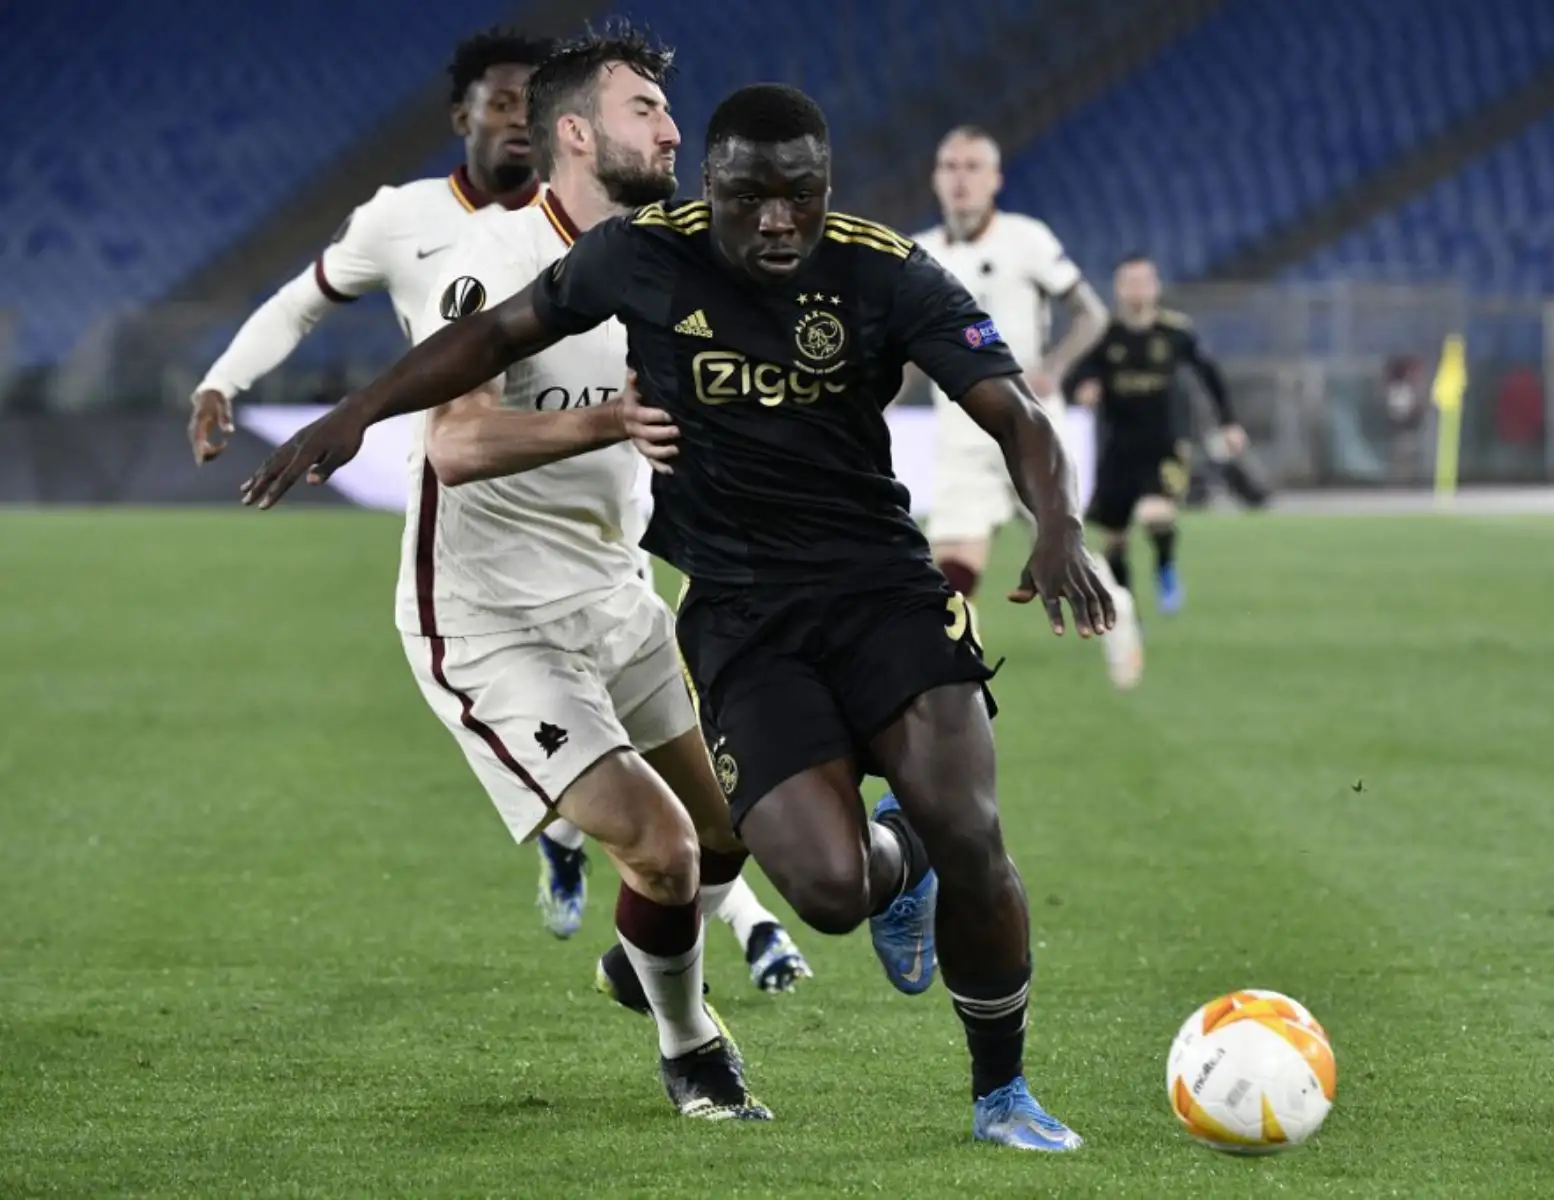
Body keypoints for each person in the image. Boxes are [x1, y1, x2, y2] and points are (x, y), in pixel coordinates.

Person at [240, 83, 1115, 1152]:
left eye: (802, 194)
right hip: (742, 616)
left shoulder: (884, 268)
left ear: (826, 187)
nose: (779, 219)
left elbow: (1016, 411)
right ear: (714, 188)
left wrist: (1059, 527)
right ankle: (898, 864)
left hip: (883, 588)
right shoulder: (644, 256)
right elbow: (494, 336)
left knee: (971, 827)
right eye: (753, 195)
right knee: (831, 892)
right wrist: (357, 413)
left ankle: (1002, 1095)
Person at [186, 28, 801, 969]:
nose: (676, 131)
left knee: (734, 827)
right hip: (494, 616)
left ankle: (642, 960)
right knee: (664, 846)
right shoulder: (475, 252)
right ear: (576, 134)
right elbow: (456, 441)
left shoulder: (675, 260)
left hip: (614, 592)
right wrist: (228, 380)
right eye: (648, 110)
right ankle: (692, 1047)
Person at [912, 126, 1143, 689]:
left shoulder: (1026, 239)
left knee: (1066, 554)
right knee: (952, 572)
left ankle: (1120, 618)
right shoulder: (918, 254)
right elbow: (907, 353)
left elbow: (1090, 314)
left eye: (972, 167)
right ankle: (957, 683)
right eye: (950, 166)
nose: (960, 178)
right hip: (960, 430)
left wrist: (1055, 368)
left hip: (1029, 425)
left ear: (995, 179)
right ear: (936, 178)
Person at [1067, 254, 1253, 615]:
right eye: (1129, 283)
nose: (1137, 290)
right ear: (1119, 289)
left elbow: (1209, 375)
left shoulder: (1175, 332)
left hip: (1164, 445)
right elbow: (1077, 375)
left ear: (1155, 287)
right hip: (1117, 449)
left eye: (1144, 282)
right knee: (1115, 537)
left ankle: (1165, 567)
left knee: (1156, 515)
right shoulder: (1104, 335)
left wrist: (1228, 422)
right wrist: (1083, 389)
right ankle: (1125, 606)